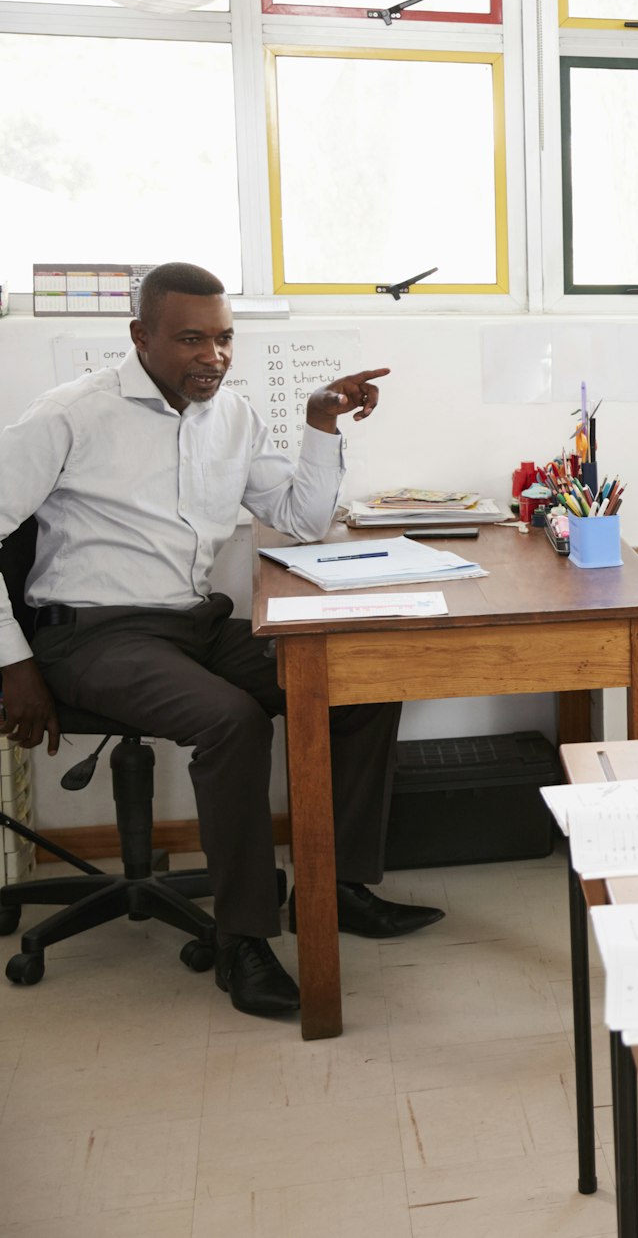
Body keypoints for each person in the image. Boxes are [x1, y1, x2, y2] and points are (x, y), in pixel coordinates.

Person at [0, 262, 442, 1018]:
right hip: (91, 637)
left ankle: (333, 890)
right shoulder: (69, 414)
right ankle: (242, 942)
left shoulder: (231, 416)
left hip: (189, 624)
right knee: (230, 722)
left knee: (358, 674)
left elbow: (300, 519)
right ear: (141, 337)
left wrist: (318, 424)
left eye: (225, 339)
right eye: (192, 339)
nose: (213, 357)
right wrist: (13, 663)